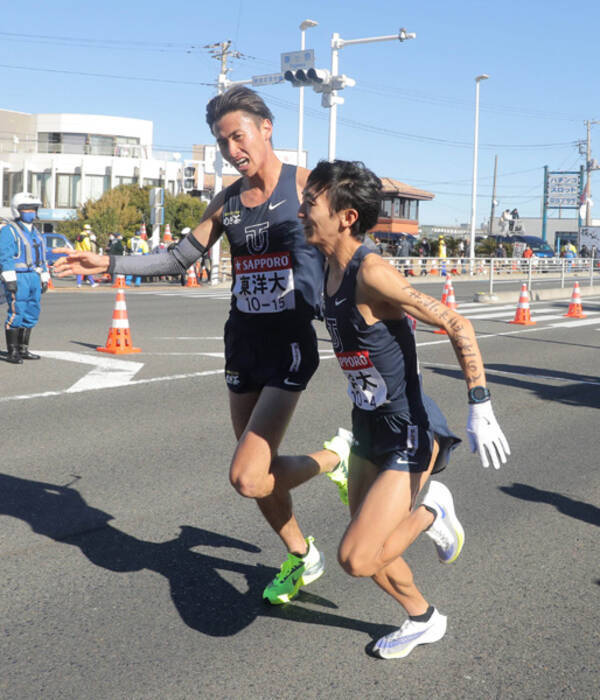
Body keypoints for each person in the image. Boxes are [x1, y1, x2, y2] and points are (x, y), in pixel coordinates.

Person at [53, 86, 350, 605]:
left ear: (266, 128)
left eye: (238, 135)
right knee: (255, 471)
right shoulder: (229, 199)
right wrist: (110, 263)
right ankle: (303, 555)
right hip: (242, 342)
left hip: (289, 345)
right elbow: (177, 258)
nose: (233, 149)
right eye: (221, 141)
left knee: (247, 474)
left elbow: (351, 249)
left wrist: (380, 310)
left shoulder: (306, 187)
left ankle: (333, 460)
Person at [298, 159, 510, 659]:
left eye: (313, 199)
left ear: (346, 216)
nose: (305, 207)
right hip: (366, 426)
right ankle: (424, 619)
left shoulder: (371, 272)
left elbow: (458, 325)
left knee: (356, 556)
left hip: (408, 429)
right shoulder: (322, 261)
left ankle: (433, 508)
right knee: (373, 553)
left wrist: (480, 404)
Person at [0, 192, 51, 364]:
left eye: (33, 208)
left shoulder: (37, 232)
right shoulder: (9, 230)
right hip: (19, 276)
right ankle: (12, 351)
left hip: (34, 276)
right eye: (26, 209)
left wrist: (44, 275)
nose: (31, 212)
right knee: (17, 311)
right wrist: (9, 278)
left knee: (32, 311)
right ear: (17, 210)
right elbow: (5, 256)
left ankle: (23, 349)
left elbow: (42, 257)